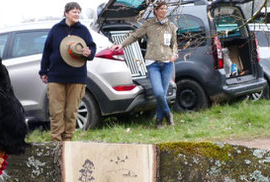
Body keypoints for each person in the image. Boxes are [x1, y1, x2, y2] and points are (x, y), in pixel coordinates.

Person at [110, 1, 178, 128]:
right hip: (153, 64)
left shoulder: (171, 26)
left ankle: (158, 121)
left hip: (167, 63)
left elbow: (174, 44)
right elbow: (135, 36)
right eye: (161, 9)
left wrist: (175, 54)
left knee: (162, 95)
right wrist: (122, 45)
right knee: (158, 93)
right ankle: (168, 114)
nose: (164, 11)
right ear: (156, 11)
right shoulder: (149, 24)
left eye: (165, 8)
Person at [39, 2, 96, 142]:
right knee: (56, 112)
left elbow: (92, 50)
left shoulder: (83, 30)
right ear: (66, 13)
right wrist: (43, 71)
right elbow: (47, 51)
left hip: (77, 77)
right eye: (74, 12)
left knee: (71, 112)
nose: (77, 14)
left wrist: (88, 53)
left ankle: (67, 142)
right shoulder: (56, 29)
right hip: (56, 76)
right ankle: (55, 142)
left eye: (78, 12)